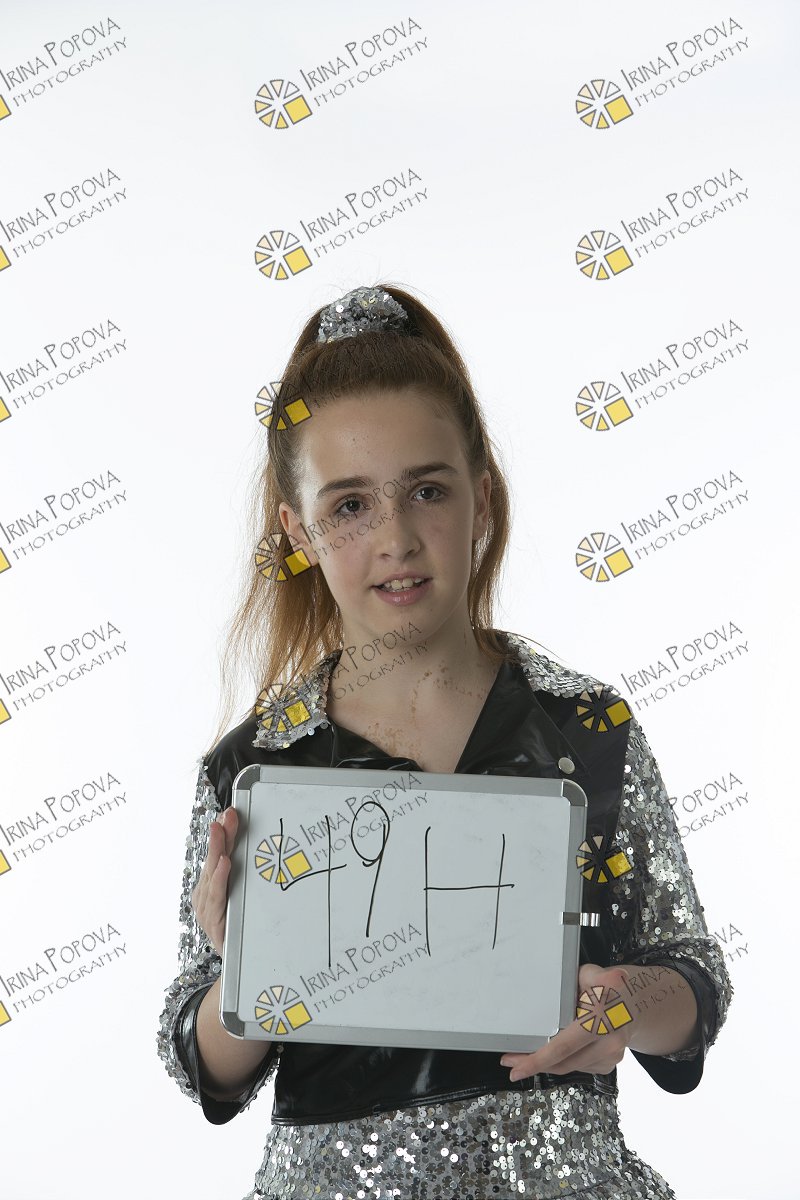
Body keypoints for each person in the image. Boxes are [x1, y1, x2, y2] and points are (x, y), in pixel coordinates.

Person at [156, 284, 733, 1200]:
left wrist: (628, 1002)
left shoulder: (585, 729)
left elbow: (693, 978)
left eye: (427, 490)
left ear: (482, 500)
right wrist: (248, 968)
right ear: (298, 531)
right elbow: (203, 1066)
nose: (396, 537)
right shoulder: (258, 768)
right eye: (350, 505)